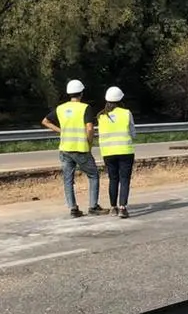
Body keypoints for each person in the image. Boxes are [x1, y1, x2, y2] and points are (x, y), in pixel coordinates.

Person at [41, 79, 103, 218]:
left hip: (64, 149)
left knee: (68, 179)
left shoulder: (61, 108)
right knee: (93, 175)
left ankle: (73, 208)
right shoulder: (85, 108)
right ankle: (93, 206)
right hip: (80, 148)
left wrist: (61, 131)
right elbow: (89, 127)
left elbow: (45, 121)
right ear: (81, 93)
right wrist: (89, 142)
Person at [97, 86, 136, 219]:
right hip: (125, 151)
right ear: (120, 99)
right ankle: (122, 208)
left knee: (113, 179)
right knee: (124, 179)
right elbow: (133, 133)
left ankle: (113, 207)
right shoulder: (126, 113)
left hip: (108, 152)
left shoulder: (101, 116)